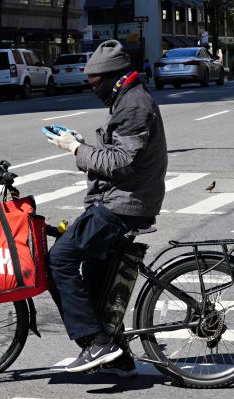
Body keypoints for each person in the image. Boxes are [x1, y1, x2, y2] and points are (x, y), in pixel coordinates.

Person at [43, 40, 168, 375]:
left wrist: (74, 149)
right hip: (119, 198)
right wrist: (79, 144)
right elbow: (116, 155)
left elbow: (121, 163)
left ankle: (97, 343)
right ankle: (119, 356)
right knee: (96, 276)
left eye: (95, 81)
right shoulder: (126, 99)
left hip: (124, 202)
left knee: (59, 260)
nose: (91, 86)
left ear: (114, 78)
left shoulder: (133, 105)